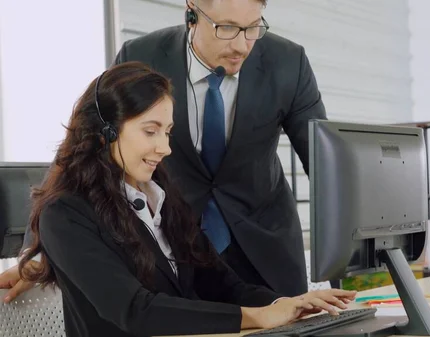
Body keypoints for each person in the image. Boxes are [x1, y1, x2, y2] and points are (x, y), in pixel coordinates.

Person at [1, 0, 327, 301]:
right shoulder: (142, 54)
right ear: (192, 11)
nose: (242, 45)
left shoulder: (288, 62)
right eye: (227, 27)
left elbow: (325, 163)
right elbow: (84, 141)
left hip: (265, 247)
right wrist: (40, 253)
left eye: (253, 27)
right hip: (180, 250)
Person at [16, 62, 355, 337]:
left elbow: (221, 283)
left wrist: (290, 304)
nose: (164, 148)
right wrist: (258, 317)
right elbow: (134, 311)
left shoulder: (162, 196)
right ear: (106, 131)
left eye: (167, 132)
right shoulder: (66, 214)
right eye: (151, 131)